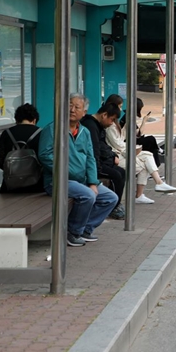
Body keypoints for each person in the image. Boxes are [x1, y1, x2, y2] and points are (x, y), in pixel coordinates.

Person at [38, 93, 118, 247]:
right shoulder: (53, 129)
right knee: (87, 195)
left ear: (84, 112)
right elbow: (45, 155)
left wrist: (93, 182)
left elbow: (90, 159)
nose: (72, 110)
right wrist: (66, 170)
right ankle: (73, 232)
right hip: (59, 180)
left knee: (110, 198)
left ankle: (86, 228)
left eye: (77, 107)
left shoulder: (85, 132)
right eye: (69, 105)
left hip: (81, 181)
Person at [104, 94, 176, 204]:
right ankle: (142, 193)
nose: (120, 109)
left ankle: (158, 183)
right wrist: (132, 149)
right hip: (118, 154)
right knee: (144, 165)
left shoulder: (117, 122)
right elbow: (119, 143)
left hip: (124, 149)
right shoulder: (111, 124)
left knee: (148, 155)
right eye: (119, 106)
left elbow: (123, 138)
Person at [81, 102, 126, 220]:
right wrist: (96, 170)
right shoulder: (91, 126)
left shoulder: (97, 126)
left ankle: (116, 204)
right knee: (115, 175)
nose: (111, 123)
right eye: (112, 120)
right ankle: (113, 206)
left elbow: (102, 146)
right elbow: (94, 150)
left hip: (101, 162)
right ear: (104, 115)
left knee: (121, 172)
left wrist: (111, 156)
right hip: (94, 166)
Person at [0, 103, 44, 194]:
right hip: (36, 187)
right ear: (34, 120)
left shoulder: (6, 133)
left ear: (16, 120)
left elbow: (0, 162)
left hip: (9, 187)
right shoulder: (42, 133)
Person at [121, 97, 162, 167]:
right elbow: (139, 133)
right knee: (151, 140)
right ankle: (155, 166)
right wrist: (144, 121)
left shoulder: (128, 116)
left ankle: (155, 165)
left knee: (151, 145)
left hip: (131, 140)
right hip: (128, 142)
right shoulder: (129, 117)